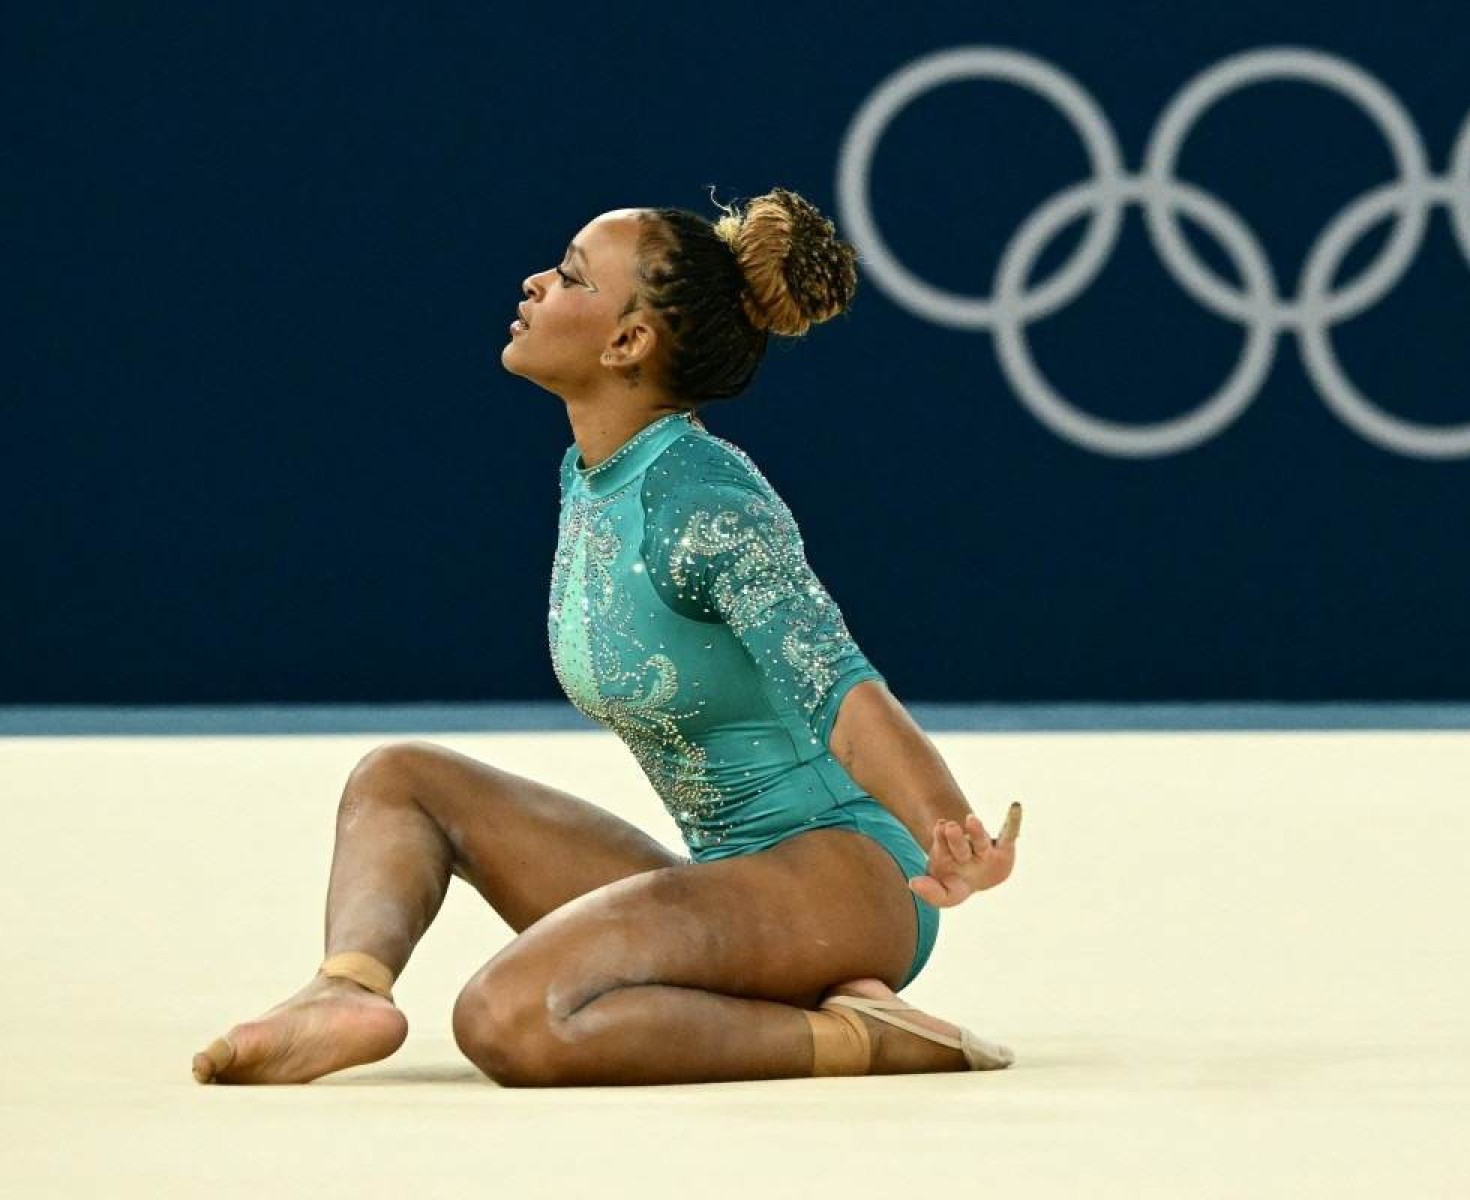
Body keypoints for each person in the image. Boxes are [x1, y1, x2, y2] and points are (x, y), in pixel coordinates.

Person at [191, 187, 1024, 1087]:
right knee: (402, 780)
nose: (535, 282)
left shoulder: (705, 501)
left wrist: (949, 828)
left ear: (629, 343)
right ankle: (345, 991)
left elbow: (842, 690)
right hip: (735, 881)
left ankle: (862, 1038)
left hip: (848, 880)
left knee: (510, 1018)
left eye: (571, 277)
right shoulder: (597, 475)